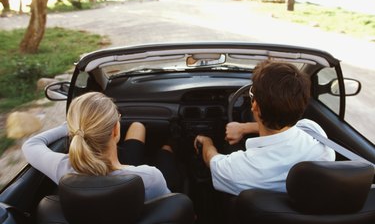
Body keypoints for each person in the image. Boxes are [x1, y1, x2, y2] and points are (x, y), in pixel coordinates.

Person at [194, 60, 335, 196]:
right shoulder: (316, 134)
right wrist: (244, 128)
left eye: (251, 94)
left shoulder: (239, 169)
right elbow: (291, 128)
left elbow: (212, 161)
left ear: (255, 106)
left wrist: (207, 142)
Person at [22, 92, 179, 201]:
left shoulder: (61, 168)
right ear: (116, 130)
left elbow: (31, 144)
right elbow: (170, 205)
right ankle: (169, 147)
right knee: (165, 153)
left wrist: (69, 127)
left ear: (74, 130)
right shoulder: (150, 177)